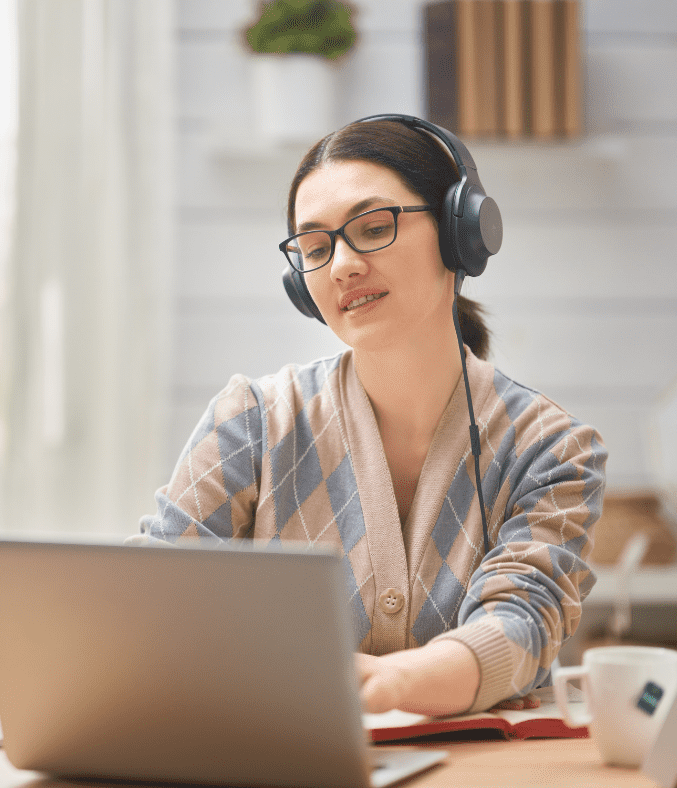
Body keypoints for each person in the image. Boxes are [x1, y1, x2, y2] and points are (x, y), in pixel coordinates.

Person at [137, 117, 607, 717]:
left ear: (460, 233)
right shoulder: (251, 423)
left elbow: (523, 620)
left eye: (374, 227)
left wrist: (399, 684)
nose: (342, 266)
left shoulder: (551, 448)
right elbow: (152, 601)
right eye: (314, 247)